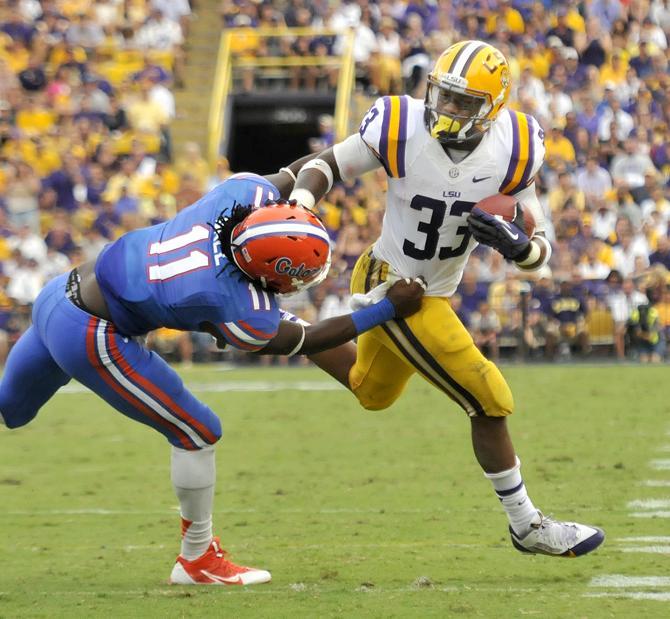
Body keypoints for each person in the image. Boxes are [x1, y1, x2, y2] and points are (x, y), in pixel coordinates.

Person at [0, 173, 425, 585]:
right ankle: (198, 559)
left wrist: (337, 169)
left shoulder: (234, 197)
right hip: (92, 334)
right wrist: (386, 310)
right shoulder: (239, 304)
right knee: (198, 431)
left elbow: (303, 169)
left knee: (10, 410)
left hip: (60, 292)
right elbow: (309, 338)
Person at [277, 40, 604, 558]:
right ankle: (527, 525)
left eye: (462, 102)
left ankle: (278, 329)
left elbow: (539, 245)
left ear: (491, 108)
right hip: (395, 282)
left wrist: (521, 250)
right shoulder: (400, 125)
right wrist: (299, 203)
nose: (446, 109)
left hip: (434, 290)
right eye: (443, 95)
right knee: (489, 397)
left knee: (372, 392)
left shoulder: (515, 146)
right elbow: (328, 165)